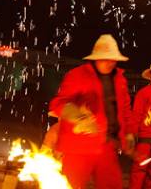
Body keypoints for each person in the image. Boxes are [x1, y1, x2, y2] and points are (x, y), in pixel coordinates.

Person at [48, 34, 134, 189]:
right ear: (95, 58)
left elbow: (125, 109)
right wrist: (78, 116)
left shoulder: (120, 79)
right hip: (78, 147)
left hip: (107, 146)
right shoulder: (77, 76)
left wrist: (128, 132)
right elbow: (57, 103)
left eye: (113, 59)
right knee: (70, 186)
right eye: (105, 59)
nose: (110, 63)